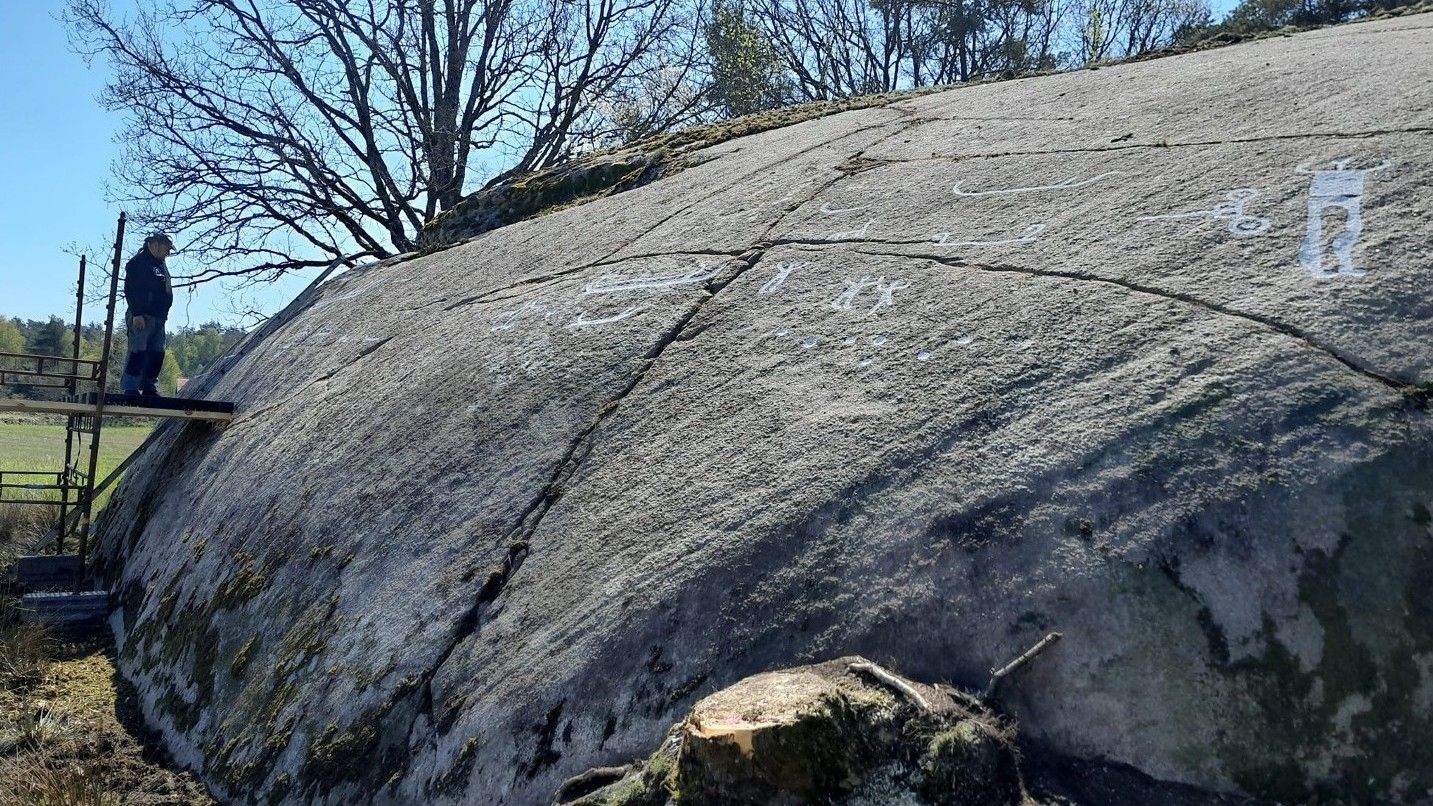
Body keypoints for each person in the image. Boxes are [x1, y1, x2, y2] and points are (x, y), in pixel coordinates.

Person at [120, 233, 174, 396]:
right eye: (166, 249)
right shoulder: (138, 263)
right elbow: (131, 289)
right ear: (155, 245)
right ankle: (130, 386)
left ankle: (148, 384)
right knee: (138, 350)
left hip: (158, 317)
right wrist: (137, 313)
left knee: (157, 352)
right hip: (142, 315)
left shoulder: (160, 264)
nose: (168, 253)